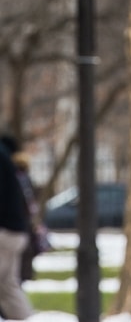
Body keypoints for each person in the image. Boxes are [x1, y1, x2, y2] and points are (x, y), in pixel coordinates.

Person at [0, 135, 33, 320]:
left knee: (7, 285)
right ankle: (23, 318)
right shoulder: (7, 161)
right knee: (8, 286)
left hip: (4, 232)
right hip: (15, 232)